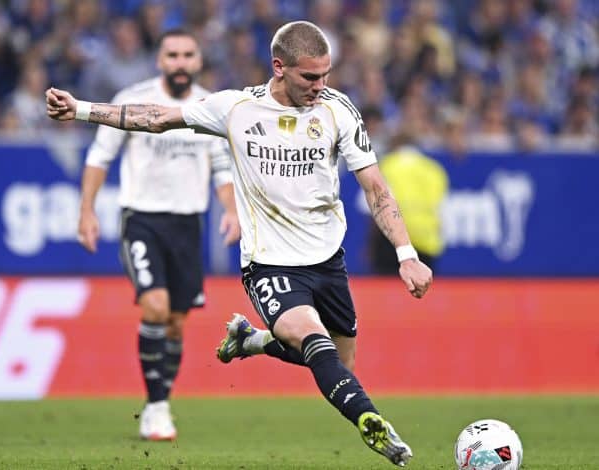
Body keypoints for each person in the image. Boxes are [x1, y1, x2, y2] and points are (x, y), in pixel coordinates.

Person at [46, 20, 432, 467]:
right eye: (310, 76)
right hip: (269, 264)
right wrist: (80, 110)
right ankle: (374, 425)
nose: (320, 86)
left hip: (328, 261)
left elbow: (376, 188)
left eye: (326, 75)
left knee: (338, 364)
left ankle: (252, 342)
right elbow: (156, 118)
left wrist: (407, 254)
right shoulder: (236, 108)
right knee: (313, 339)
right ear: (279, 67)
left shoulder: (338, 109)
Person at [77, 29, 239, 441]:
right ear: (160, 60)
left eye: (188, 54)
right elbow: (100, 156)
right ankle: (156, 406)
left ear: (199, 60)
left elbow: (222, 167)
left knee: (176, 322)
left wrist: (233, 210)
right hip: (142, 220)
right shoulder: (133, 99)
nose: (180, 62)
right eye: (173, 55)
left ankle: (160, 401)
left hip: (188, 225)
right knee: (155, 305)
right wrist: (87, 211)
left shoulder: (210, 107)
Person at [369, 132, 449, 274]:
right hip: (426, 241)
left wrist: (371, 245)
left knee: (386, 292)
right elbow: (443, 209)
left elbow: (376, 205)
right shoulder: (434, 169)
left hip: (393, 240)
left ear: (395, 145)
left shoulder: (388, 164)